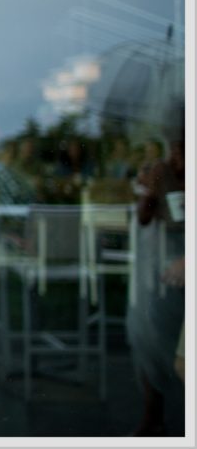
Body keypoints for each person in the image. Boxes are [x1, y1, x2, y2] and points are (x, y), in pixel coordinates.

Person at [127, 137, 185, 436]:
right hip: (165, 269)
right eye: (175, 150)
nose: (178, 159)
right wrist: (150, 190)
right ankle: (155, 415)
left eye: (184, 151)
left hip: (181, 268)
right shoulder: (164, 174)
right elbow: (144, 217)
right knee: (148, 334)